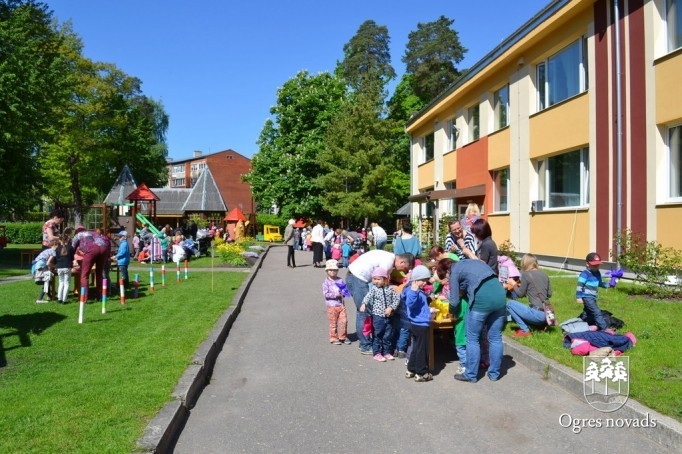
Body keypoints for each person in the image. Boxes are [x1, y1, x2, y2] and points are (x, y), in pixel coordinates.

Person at [346, 250, 415, 355]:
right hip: (358, 278)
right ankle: (365, 345)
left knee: (362, 311)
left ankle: (364, 341)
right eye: (405, 269)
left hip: (355, 276)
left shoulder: (389, 258)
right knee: (364, 312)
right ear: (402, 262)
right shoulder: (387, 263)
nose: (404, 272)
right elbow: (378, 283)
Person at [450, 258, 507, 383]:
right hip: (500, 296)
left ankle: (470, 374)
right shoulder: (475, 263)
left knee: (472, 338)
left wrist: (452, 312)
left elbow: (454, 301)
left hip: (481, 301)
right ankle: (494, 374)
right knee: (496, 337)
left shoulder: (454, 271)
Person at [435, 258, 468, 374]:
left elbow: (454, 303)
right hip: (468, 316)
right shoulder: (463, 287)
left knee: (461, 343)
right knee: (470, 342)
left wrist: (452, 313)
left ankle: (464, 366)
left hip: (461, 318)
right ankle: (472, 364)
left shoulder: (455, 287)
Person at [506, 253, 552, 337]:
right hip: (548, 314)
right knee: (529, 307)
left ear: (525, 263)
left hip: (537, 314)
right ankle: (540, 326)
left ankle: (525, 330)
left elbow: (520, 294)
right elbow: (549, 294)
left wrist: (513, 284)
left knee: (509, 304)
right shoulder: (545, 274)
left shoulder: (526, 275)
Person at [360, 267, 400, 362]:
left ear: (386, 279)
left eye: (379, 279)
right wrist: (364, 304)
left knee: (387, 335)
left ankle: (386, 352)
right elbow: (367, 296)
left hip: (389, 316)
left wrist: (391, 308)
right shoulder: (374, 289)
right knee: (377, 334)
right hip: (377, 316)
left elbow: (397, 299)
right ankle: (377, 353)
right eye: (374, 279)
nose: (376, 281)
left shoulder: (390, 289)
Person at [402, 265, 433, 382]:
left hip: (417, 322)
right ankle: (421, 372)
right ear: (415, 280)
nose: (425, 283)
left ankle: (411, 369)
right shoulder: (413, 291)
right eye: (423, 280)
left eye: (426, 280)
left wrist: (429, 310)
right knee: (422, 348)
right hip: (420, 324)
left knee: (416, 347)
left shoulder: (417, 291)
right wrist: (415, 292)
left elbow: (418, 306)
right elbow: (410, 303)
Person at [72, 225, 111, 300]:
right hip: (104, 248)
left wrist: (71, 260)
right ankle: (100, 295)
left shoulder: (78, 235)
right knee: (99, 273)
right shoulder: (93, 233)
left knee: (84, 275)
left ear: (77, 231)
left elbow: (72, 248)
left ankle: (84, 297)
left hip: (91, 249)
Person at [576, 252, 609, 331]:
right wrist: (578, 297)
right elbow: (579, 286)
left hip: (593, 297)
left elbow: (600, 283)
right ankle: (605, 329)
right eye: (594, 265)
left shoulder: (597, 273)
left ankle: (578, 324)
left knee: (587, 313)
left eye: (597, 265)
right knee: (597, 312)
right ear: (587, 263)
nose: (596, 266)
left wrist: (609, 285)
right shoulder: (585, 274)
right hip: (587, 296)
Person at [322, 260, 351, 345]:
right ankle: (334, 338)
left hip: (341, 304)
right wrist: (335, 294)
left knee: (344, 321)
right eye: (330, 270)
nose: (333, 272)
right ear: (327, 271)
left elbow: (344, 291)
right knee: (333, 323)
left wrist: (344, 293)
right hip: (331, 305)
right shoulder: (326, 282)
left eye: (335, 270)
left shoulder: (340, 280)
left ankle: (343, 336)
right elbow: (326, 294)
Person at [33, 239, 58, 303]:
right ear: (56, 246)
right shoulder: (53, 252)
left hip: (36, 266)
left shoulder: (47, 250)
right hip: (41, 267)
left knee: (48, 282)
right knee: (47, 282)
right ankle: (40, 299)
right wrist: (55, 267)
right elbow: (48, 263)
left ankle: (51, 296)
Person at [55, 229, 75, 304]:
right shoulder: (70, 247)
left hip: (59, 267)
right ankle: (64, 299)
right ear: (68, 239)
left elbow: (56, 258)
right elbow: (72, 257)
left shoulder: (57, 248)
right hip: (67, 266)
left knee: (61, 282)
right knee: (66, 283)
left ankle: (59, 298)